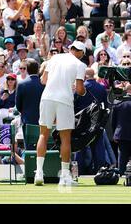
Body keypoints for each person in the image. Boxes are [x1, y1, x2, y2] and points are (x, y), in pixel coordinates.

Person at [35, 41, 87, 186]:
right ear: (81, 53)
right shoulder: (80, 65)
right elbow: (80, 90)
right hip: (64, 100)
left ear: (71, 49)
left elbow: (43, 80)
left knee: (43, 134)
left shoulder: (54, 58)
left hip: (47, 98)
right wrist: (83, 90)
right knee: (65, 139)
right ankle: (64, 176)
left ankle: (39, 173)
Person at [112, 84, 131, 174]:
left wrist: (115, 134)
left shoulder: (118, 102)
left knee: (122, 156)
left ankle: (121, 173)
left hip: (121, 134)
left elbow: (113, 121)